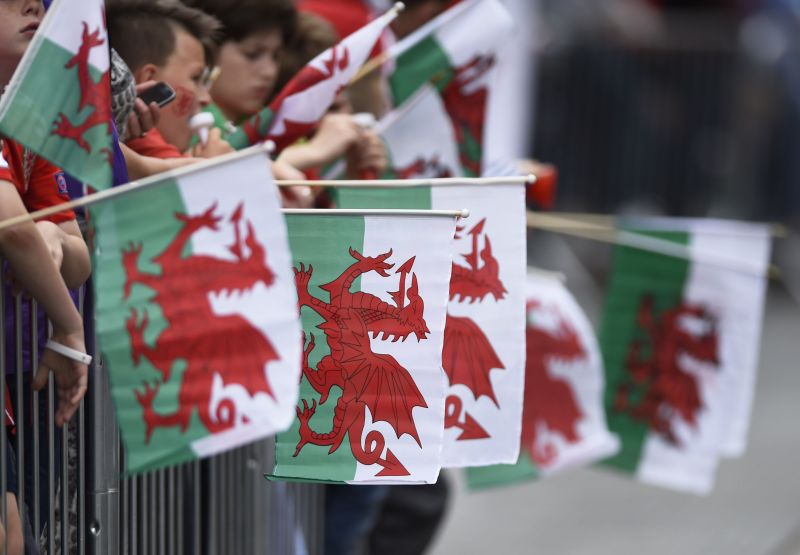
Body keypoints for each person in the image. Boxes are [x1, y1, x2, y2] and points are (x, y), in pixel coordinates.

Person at [0, 1, 92, 552]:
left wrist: (53, 238)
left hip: (21, 376)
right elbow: (13, 229)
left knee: (22, 530)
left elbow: (78, 252)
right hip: (26, 363)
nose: (34, 5)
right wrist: (69, 326)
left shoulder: (27, 121)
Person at [107, 0, 232, 160]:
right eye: (195, 78)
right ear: (149, 79)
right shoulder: (143, 148)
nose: (206, 99)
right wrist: (214, 169)